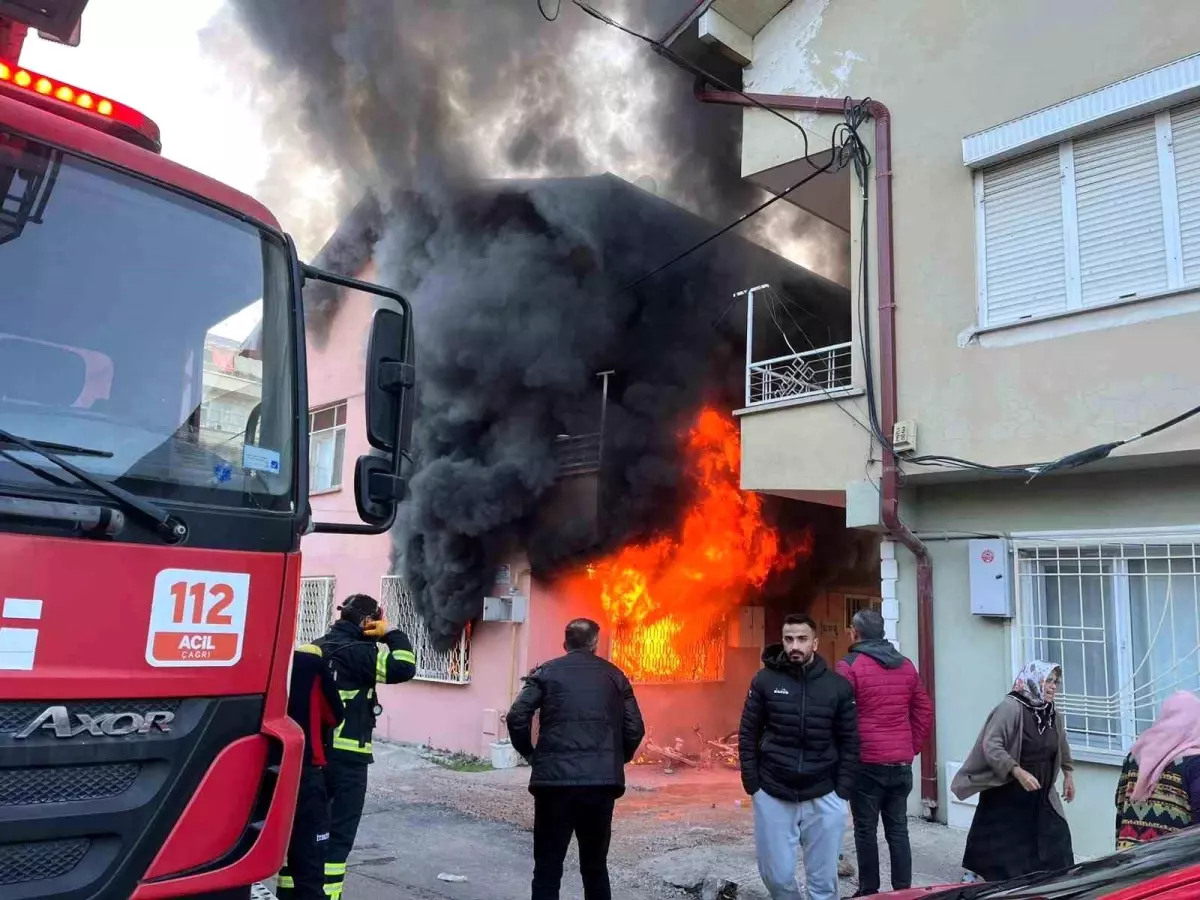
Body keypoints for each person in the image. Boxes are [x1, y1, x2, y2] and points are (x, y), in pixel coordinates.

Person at [506, 618, 645, 900]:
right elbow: (635, 728)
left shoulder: (546, 672)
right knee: (595, 867)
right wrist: (618, 759)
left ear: (565, 643)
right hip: (600, 786)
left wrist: (531, 755)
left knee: (547, 867)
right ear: (595, 643)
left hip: (554, 786)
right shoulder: (615, 676)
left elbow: (517, 716)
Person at [738, 613, 859, 900]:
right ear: (782, 641)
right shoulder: (765, 681)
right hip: (773, 791)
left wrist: (842, 792)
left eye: (802, 639)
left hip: (823, 793)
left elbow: (850, 742)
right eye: (789, 639)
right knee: (777, 877)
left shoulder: (837, 687)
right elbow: (747, 733)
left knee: (823, 882)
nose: (795, 645)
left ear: (814, 643)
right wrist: (753, 785)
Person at [314, 594, 416, 900]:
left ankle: (293, 892)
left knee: (306, 829)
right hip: (348, 760)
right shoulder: (360, 653)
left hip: (311, 757)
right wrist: (392, 634)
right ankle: (327, 895)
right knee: (338, 836)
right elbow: (404, 666)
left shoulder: (316, 647)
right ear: (368, 622)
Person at [836, 608, 933, 897]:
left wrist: (845, 754)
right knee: (898, 830)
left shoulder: (849, 665)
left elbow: (841, 715)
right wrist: (911, 746)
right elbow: (924, 710)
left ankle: (869, 892)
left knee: (865, 830)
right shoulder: (905, 665)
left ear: (856, 632)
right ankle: (904, 891)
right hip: (900, 764)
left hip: (866, 763)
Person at [951, 661, 1075, 882]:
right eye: (1048, 681)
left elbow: (1061, 742)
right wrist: (1017, 771)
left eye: (1056, 682)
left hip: (1041, 788)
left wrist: (1068, 773)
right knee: (997, 836)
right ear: (1034, 681)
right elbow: (991, 745)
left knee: (1056, 834)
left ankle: (1054, 879)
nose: (1054, 687)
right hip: (1008, 786)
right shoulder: (1010, 707)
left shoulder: (1051, 713)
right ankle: (978, 873)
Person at [276, 642, 344, 900]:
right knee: (309, 859)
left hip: (254, 769)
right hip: (304, 771)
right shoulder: (311, 665)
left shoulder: (255, 660)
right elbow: (334, 715)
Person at [1114, 690, 1200, 850]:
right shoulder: (1194, 763)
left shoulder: (1135, 755)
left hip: (1130, 856)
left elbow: (1120, 804)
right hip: (1171, 861)